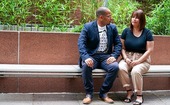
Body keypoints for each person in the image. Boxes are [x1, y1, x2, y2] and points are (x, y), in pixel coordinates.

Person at [78, 7, 122, 104]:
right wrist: (86, 57)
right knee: (86, 66)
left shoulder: (112, 28)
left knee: (114, 67)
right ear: (101, 17)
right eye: (109, 16)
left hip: (106, 57)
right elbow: (81, 44)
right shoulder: (88, 27)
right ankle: (89, 94)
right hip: (92, 56)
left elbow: (118, 44)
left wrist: (114, 56)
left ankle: (104, 93)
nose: (111, 18)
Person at [118, 9, 154, 105]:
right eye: (133, 17)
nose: (134, 19)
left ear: (142, 20)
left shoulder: (147, 33)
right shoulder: (126, 31)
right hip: (128, 57)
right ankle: (129, 92)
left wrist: (138, 61)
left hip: (143, 59)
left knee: (136, 71)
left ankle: (139, 95)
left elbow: (149, 50)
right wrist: (125, 58)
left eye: (137, 18)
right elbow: (122, 47)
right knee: (120, 67)